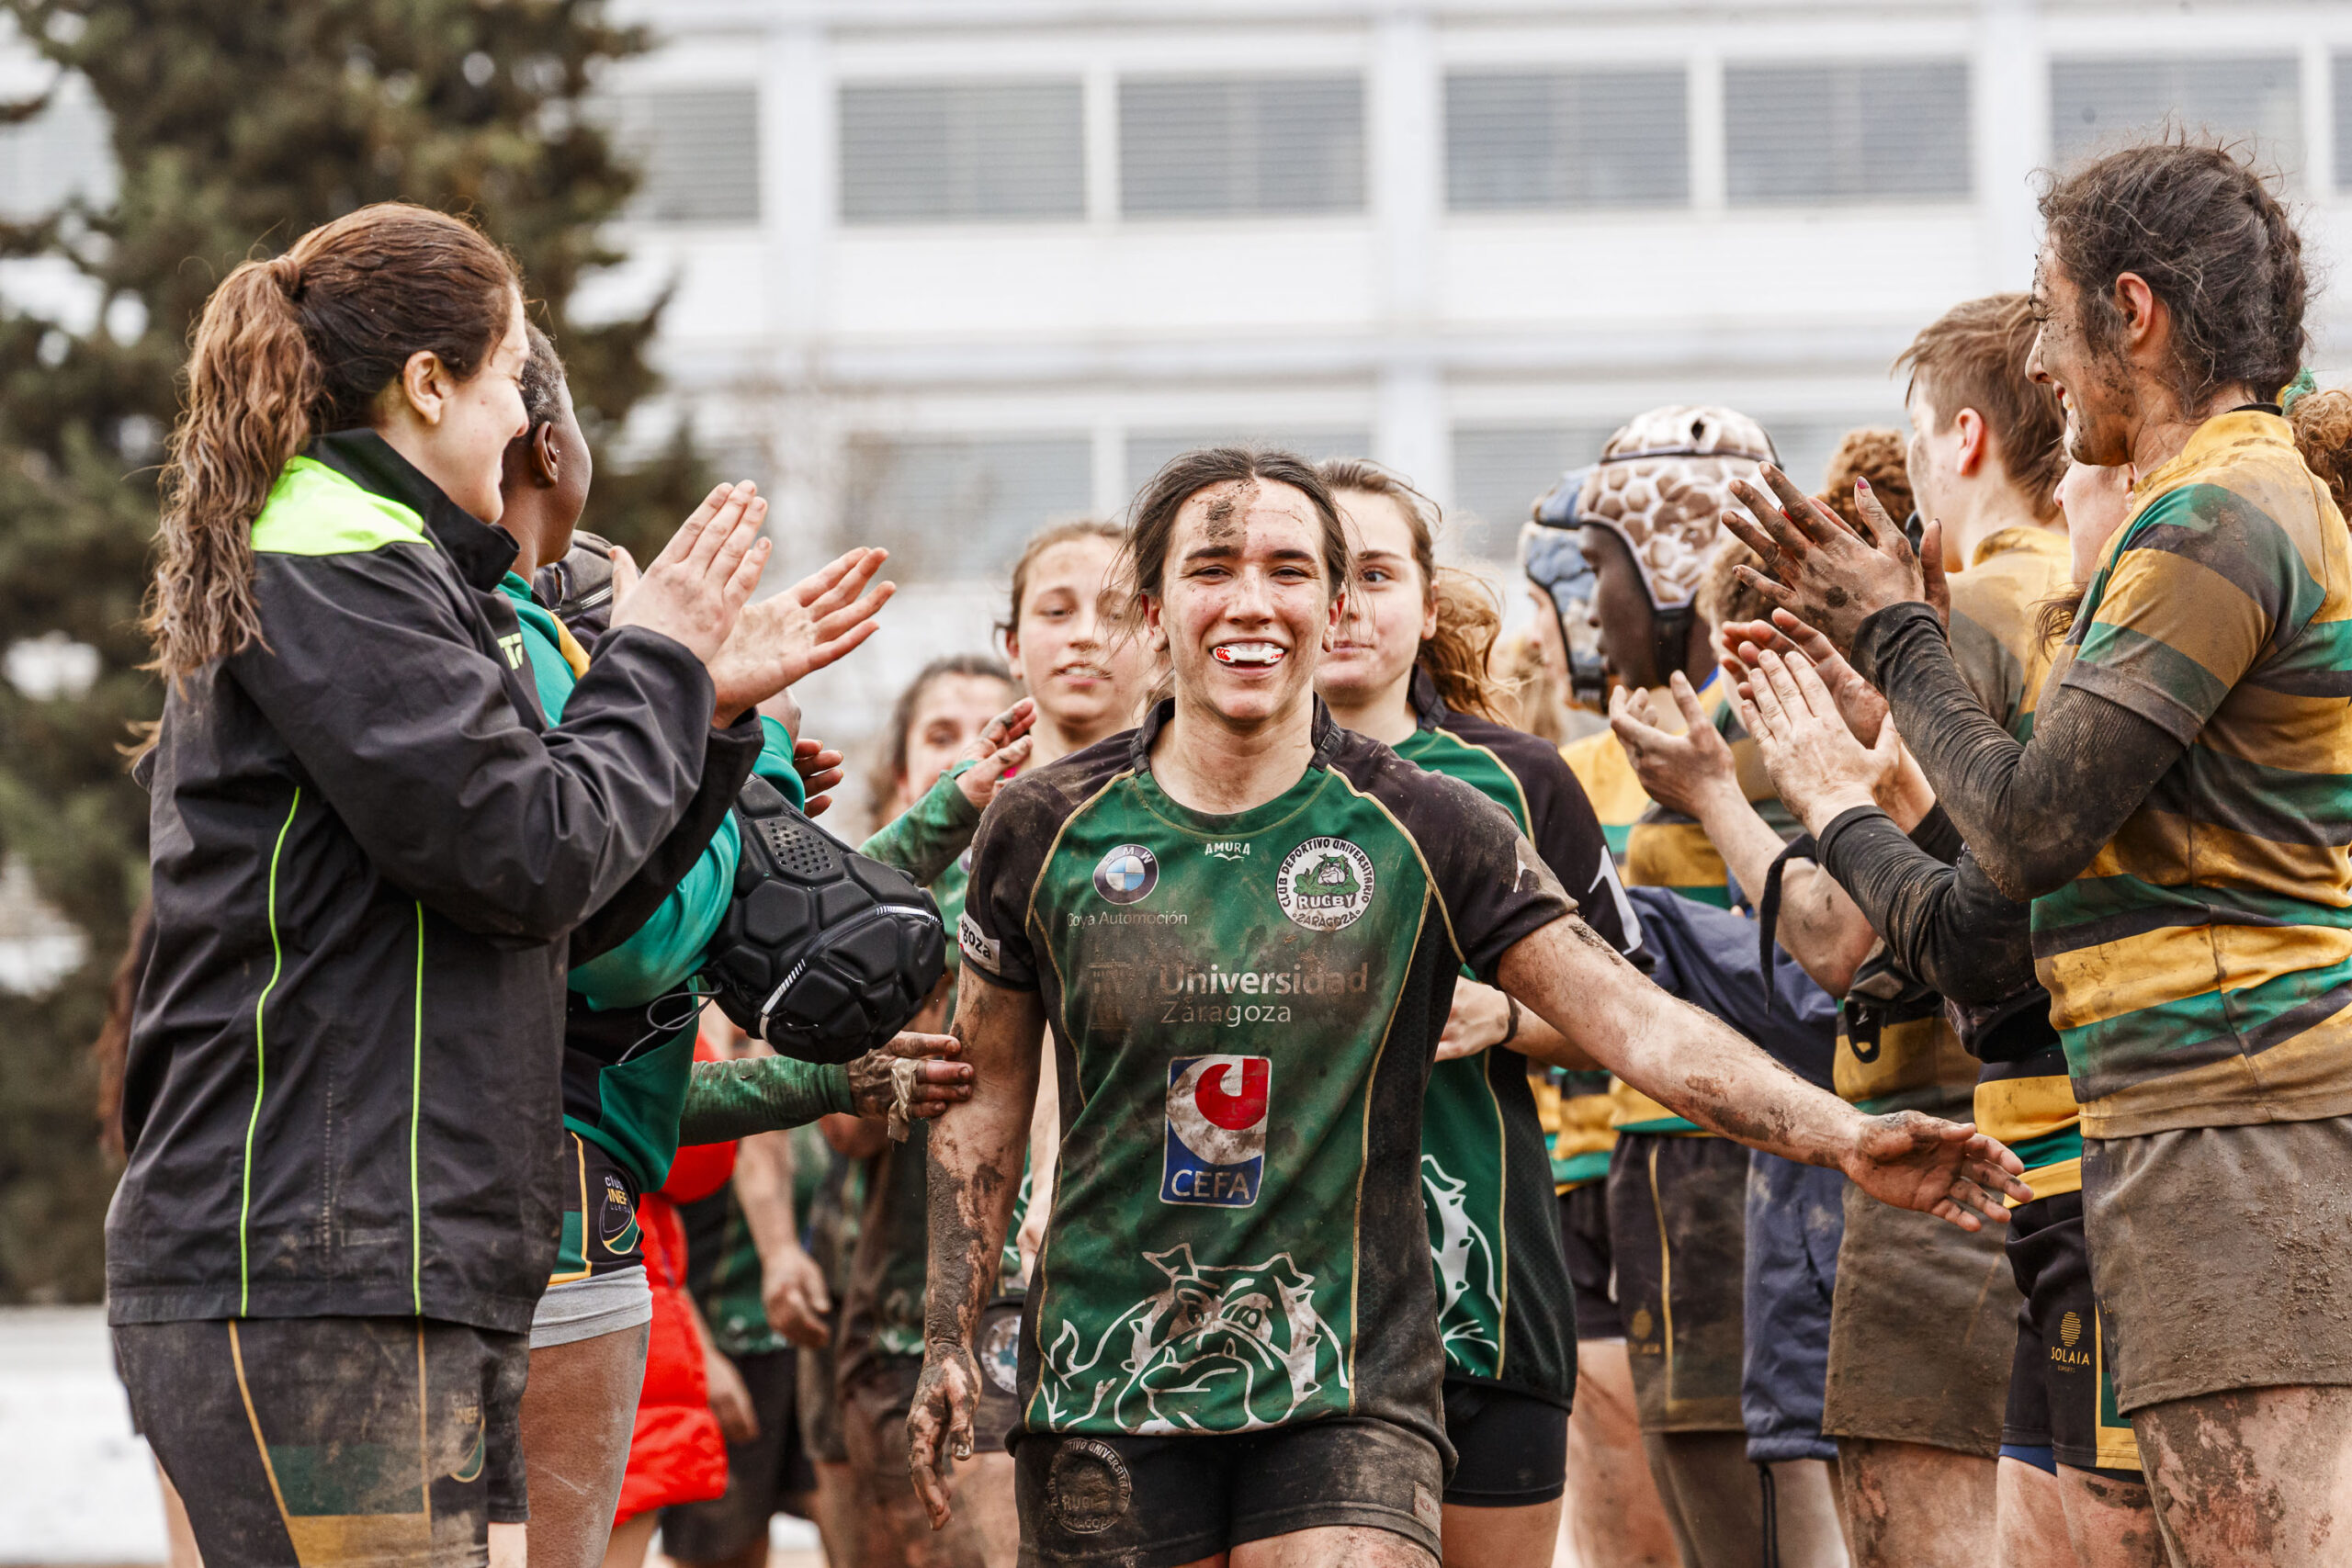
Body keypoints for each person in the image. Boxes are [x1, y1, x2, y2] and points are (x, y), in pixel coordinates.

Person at [907, 445, 2027, 1568]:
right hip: (1107, 1376)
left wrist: (1844, 1137)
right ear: (1153, 610)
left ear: (1332, 607)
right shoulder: (1041, 825)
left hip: (1351, 1379)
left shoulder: (1430, 820)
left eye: (1288, 571)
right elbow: (985, 1092)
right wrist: (949, 1330)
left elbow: (1631, 1018)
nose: (1250, 601)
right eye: (1212, 569)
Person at [108, 202, 820, 1567]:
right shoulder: (334, 564)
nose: (522, 415)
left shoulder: (403, 573)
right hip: (320, 1270)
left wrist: (707, 715)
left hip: (406, 1264)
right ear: (428, 384)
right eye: (506, 375)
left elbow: (572, 907)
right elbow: (530, 848)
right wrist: (655, 657)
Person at [1724, 142, 2343, 1568]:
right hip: (2174, 1123)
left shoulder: (2220, 514)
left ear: (2135, 313)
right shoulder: (2201, 512)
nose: (2047, 369)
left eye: (2055, 321)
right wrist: (1843, 788)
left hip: (2239, 1117)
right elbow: (1989, 921)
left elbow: (2025, 827)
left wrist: (1896, 635)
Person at [491, 329, 986, 1568]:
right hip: (553, 1208)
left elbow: (733, 965)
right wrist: (732, 748)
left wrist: (741, 773)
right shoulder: (518, 649)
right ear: (548, 447)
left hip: (557, 1201)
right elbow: (643, 946)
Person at [1617, 299, 2073, 1567]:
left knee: (1925, 1529)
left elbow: (1843, 940)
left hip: (1955, 1147)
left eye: (1918, 435)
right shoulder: (2092, 596)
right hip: (2063, 1133)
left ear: (1964, 436)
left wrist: (1727, 792)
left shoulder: (1965, 620)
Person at [1310, 457, 1641, 1568]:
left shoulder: (1522, 780)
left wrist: (1508, 1015)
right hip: (1277, 1311)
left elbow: (1637, 1018)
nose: (1346, 606)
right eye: (1319, 575)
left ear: (1425, 600)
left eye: (1375, 575)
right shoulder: (1202, 785)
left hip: (1486, 1295)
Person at [1553, 406, 1849, 1566]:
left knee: (1759, 1527)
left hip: (1736, 1159)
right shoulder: (1696, 715)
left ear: (1672, 565)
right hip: (1680, 1157)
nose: (1591, 606)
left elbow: (1809, 963)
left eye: (1601, 566)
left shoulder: (1759, 719)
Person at [836, 656, 1034, 1568]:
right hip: (903, 1315)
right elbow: (842, 1131)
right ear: (905, 771)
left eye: (983, 736)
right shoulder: (880, 905)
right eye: (939, 738)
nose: (970, 758)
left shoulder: (1093, 878)